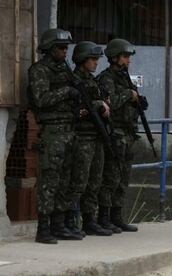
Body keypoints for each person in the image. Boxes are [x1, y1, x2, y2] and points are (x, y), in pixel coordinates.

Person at [28, 28, 83, 243]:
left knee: (65, 182)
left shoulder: (65, 70)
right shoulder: (39, 70)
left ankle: (59, 225)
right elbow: (41, 99)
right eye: (61, 48)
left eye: (66, 48)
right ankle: (43, 229)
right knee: (49, 181)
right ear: (49, 48)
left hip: (69, 131)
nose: (65, 51)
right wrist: (67, 92)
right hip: (52, 133)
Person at [65, 41, 112, 237]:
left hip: (96, 136)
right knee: (79, 182)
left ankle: (89, 221)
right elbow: (73, 107)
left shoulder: (93, 81)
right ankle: (70, 221)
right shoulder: (74, 80)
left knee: (95, 181)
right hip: (82, 137)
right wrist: (97, 104)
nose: (95, 63)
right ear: (82, 60)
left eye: (96, 59)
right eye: (92, 59)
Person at [97, 38, 140, 233]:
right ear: (114, 58)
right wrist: (128, 95)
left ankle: (117, 216)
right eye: (124, 57)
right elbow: (111, 102)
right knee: (111, 178)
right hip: (115, 134)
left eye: (128, 57)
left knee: (123, 178)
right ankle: (104, 217)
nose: (128, 61)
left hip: (128, 133)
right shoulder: (106, 78)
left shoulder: (125, 78)